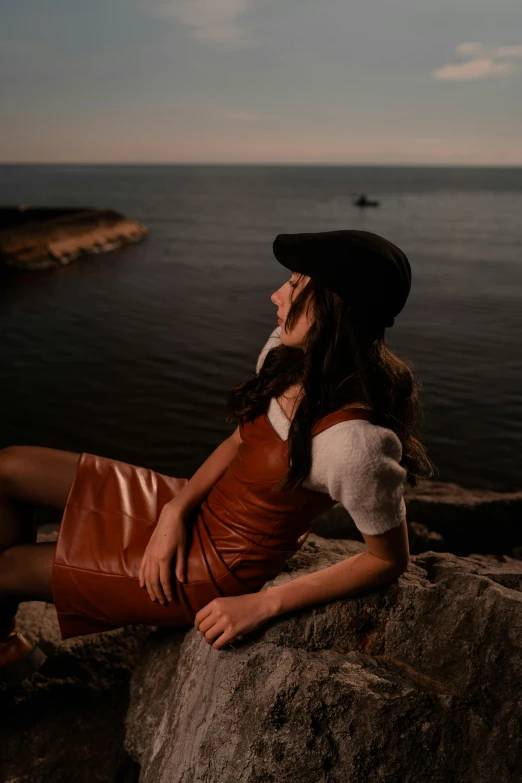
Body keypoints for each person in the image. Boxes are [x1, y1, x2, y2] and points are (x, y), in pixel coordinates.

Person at [0, 229, 437, 681]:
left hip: (209, 568)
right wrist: (175, 508)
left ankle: (5, 651)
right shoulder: (286, 354)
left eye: (293, 285)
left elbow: (386, 559)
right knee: (6, 465)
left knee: (7, 567)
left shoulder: (355, 444)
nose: (276, 295)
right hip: (190, 505)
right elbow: (239, 442)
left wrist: (263, 604)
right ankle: (6, 642)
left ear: (332, 307)